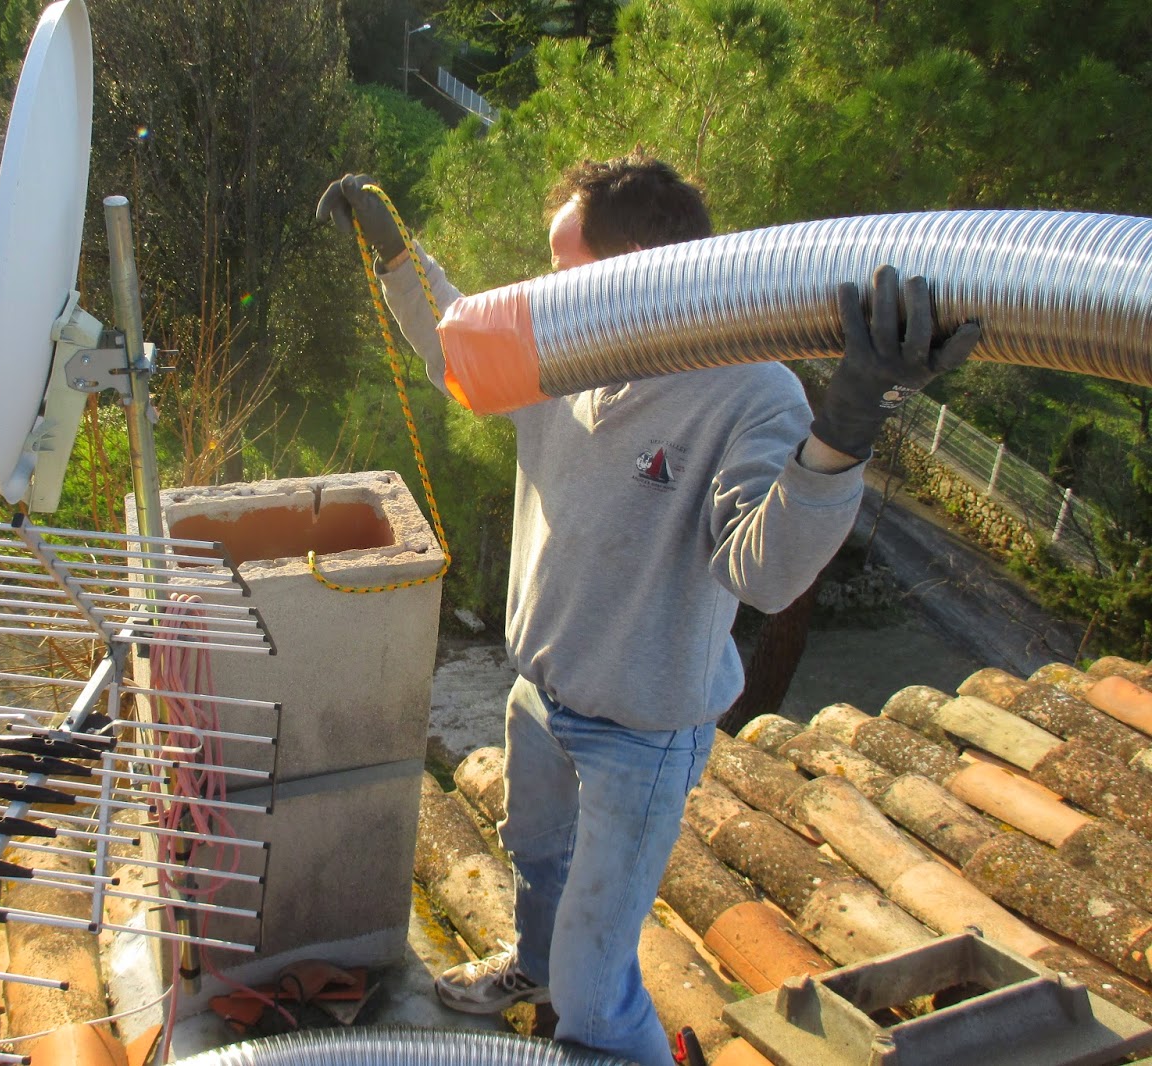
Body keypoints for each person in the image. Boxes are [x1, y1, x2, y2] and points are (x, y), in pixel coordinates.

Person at [317, 157, 981, 1065]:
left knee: (599, 990)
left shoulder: (753, 393)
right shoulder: (560, 353)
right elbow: (453, 348)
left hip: (642, 730)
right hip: (543, 694)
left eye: (565, 270)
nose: (548, 293)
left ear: (638, 269)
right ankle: (535, 966)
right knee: (537, 858)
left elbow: (766, 570)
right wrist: (399, 260)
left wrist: (845, 432)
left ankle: (613, 1037)